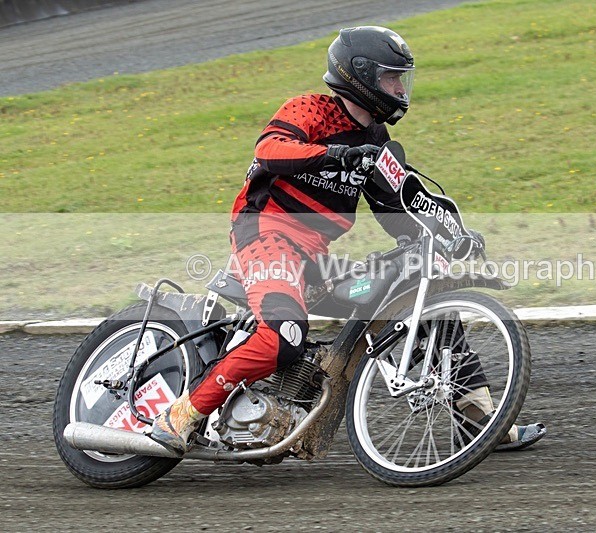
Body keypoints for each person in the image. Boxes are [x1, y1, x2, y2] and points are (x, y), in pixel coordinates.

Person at [150, 26, 544, 455]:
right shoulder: (310, 109)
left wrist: (454, 233)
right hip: (265, 234)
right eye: (392, 78)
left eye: (402, 79)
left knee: (423, 302)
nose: (401, 89)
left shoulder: (377, 143)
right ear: (361, 76)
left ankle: (478, 423)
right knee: (283, 334)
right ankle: (180, 416)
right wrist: (333, 154)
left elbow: (399, 209)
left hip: (314, 258)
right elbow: (270, 150)